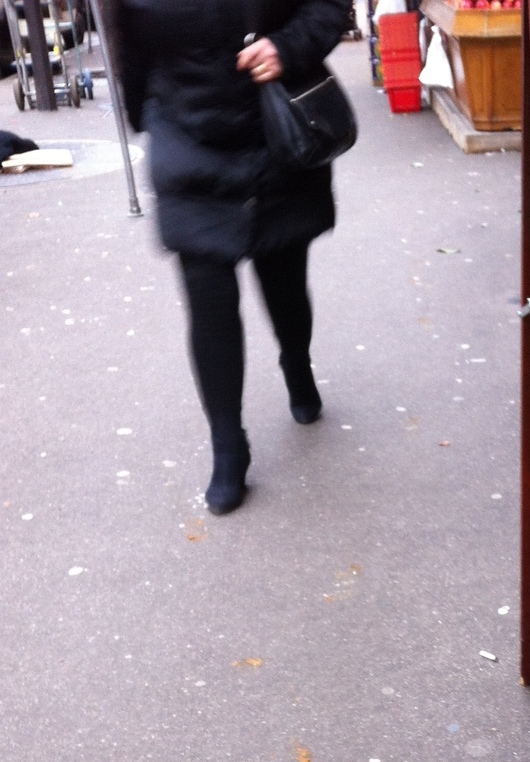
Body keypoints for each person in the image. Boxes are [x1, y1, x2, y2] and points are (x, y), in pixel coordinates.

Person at [119, 0, 354, 514]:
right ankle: (229, 445)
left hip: (272, 123)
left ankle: (296, 359)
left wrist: (287, 47)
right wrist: (148, 118)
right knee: (208, 296)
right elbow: (127, 49)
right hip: (185, 130)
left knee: (284, 277)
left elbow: (331, 6)